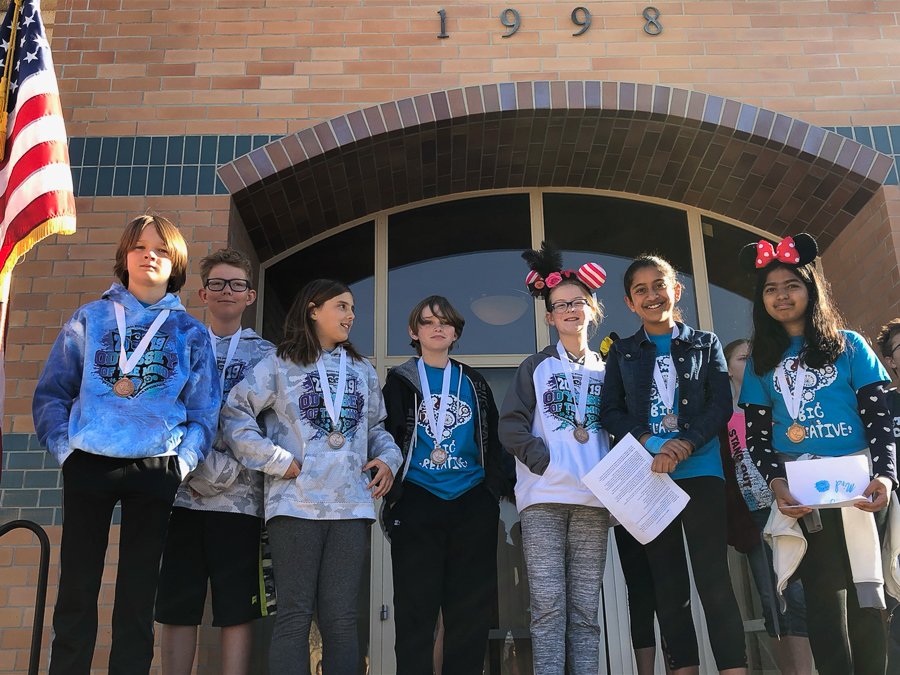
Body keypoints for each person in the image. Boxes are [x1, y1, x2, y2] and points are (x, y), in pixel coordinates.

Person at [31, 214, 220, 674]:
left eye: (160, 249)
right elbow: (52, 392)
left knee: (138, 594)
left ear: (175, 262)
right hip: (88, 462)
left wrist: (181, 463)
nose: (149, 255)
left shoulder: (191, 332)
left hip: (155, 467)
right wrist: (66, 452)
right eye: (139, 247)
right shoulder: (90, 317)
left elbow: (205, 411)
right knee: (77, 588)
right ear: (125, 257)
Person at [221, 278, 403, 675]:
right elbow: (235, 414)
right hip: (295, 506)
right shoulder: (278, 363)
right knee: (294, 613)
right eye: (341, 306)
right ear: (313, 310)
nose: (351, 315)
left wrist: (389, 458)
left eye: (352, 308)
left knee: (341, 616)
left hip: (350, 508)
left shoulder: (361, 369)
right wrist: (274, 459)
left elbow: (376, 429)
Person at [738, 234, 897, 675]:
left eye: (791, 285)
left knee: (870, 599)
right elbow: (756, 437)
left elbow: (879, 421)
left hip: (863, 489)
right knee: (825, 604)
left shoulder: (851, 345)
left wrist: (886, 476)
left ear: (811, 290)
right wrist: (777, 484)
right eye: (771, 289)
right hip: (805, 494)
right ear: (761, 301)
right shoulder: (761, 361)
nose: (781, 295)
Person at [599, 254, 747, 675]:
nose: (651, 295)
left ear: (676, 290)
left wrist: (684, 443)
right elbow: (610, 410)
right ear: (629, 302)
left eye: (659, 285)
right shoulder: (623, 352)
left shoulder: (706, 342)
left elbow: (720, 404)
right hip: (650, 476)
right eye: (640, 290)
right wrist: (651, 441)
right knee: (668, 585)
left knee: (714, 581)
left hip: (701, 471)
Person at [156, 248, 276, 675]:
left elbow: (275, 426)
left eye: (237, 284)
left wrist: (235, 466)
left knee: (236, 608)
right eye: (218, 284)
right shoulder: (178, 343)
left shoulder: (269, 355)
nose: (228, 291)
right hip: (181, 495)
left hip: (241, 502)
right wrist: (190, 463)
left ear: (250, 296)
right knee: (178, 605)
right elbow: (161, 409)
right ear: (203, 294)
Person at [498, 243, 611, 675]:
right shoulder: (535, 366)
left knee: (585, 613)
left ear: (591, 309)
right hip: (544, 499)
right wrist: (546, 462)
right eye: (559, 305)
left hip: (593, 503)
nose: (569, 310)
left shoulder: (608, 369)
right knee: (547, 608)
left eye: (577, 302)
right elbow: (511, 426)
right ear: (549, 317)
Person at [381, 295, 506, 674]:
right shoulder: (400, 382)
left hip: (471, 503)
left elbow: (494, 440)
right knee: (414, 615)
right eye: (428, 321)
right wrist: (398, 497)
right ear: (413, 331)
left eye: (445, 322)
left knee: (469, 615)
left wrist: (489, 495)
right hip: (418, 502)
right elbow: (386, 437)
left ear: (455, 333)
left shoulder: (474, 382)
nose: (437, 327)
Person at [724, 338, 813, 674]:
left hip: (788, 509)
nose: (750, 363)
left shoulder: (775, 406)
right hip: (753, 518)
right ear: (727, 369)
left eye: (754, 357)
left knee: (798, 596)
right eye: (742, 358)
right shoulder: (723, 417)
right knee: (771, 602)